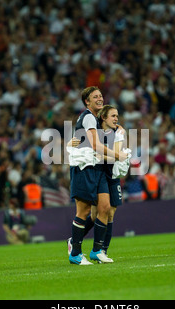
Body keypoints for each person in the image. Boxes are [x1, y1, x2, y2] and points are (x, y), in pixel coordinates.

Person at [67, 87, 127, 265]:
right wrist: (118, 155)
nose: (100, 99)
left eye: (101, 96)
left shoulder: (95, 119)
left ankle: (96, 251)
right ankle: (76, 253)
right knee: (84, 211)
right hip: (85, 168)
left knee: (105, 208)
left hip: (98, 168)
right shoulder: (87, 117)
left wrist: (117, 128)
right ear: (87, 101)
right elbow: (94, 145)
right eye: (95, 97)